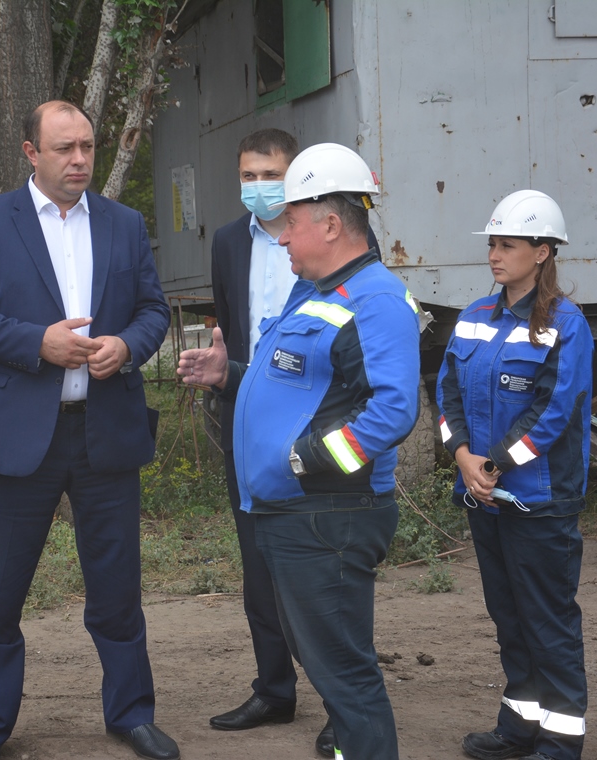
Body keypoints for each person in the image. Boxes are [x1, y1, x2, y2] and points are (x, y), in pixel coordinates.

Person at [0, 100, 175, 760]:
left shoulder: (124, 225)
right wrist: (32, 342)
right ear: (30, 152)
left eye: (88, 147)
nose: (79, 160)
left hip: (106, 432)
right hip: (19, 436)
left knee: (118, 591)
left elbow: (154, 309)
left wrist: (127, 346)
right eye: (65, 148)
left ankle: (131, 713)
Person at [179, 143, 421, 760]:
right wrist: (228, 374)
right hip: (294, 513)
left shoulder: (374, 301)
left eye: (292, 223)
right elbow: (292, 381)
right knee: (328, 663)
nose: (282, 238)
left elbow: (393, 411)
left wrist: (305, 460)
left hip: (327, 515)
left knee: (345, 673)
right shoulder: (313, 291)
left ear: (331, 224)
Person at [208, 128, 381, 757]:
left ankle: (342, 706)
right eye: (248, 176)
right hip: (251, 430)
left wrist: (318, 448)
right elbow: (240, 335)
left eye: (271, 176)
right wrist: (224, 376)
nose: (259, 189)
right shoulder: (229, 243)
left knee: (324, 576)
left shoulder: (346, 258)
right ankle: (274, 688)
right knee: (260, 565)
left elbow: (374, 381)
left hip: (314, 438)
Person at [435, 190, 593, 760]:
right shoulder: (474, 317)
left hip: (538, 500)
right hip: (484, 495)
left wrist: (493, 463)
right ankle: (519, 726)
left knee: (547, 620)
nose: (495, 255)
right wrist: (462, 458)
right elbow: (447, 392)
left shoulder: (565, 325)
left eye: (508, 245)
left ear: (544, 251)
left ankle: (559, 742)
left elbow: (553, 412)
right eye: (492, 244)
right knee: (508, 617)